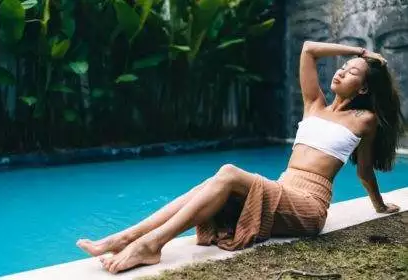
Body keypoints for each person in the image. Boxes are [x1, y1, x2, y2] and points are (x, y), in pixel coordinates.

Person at [76, 41, 404, 274]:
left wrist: (379, 205)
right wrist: (358, 52)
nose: (341, 72)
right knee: (214, 183)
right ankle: (127, 237)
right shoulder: (313, 103)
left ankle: (151, 245)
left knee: (229, 173)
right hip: (283, 190)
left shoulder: (364, 120)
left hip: (309, 207)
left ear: (363, 89)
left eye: (351, 73)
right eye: (342, 67)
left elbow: (364, 171)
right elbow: (308, 49)